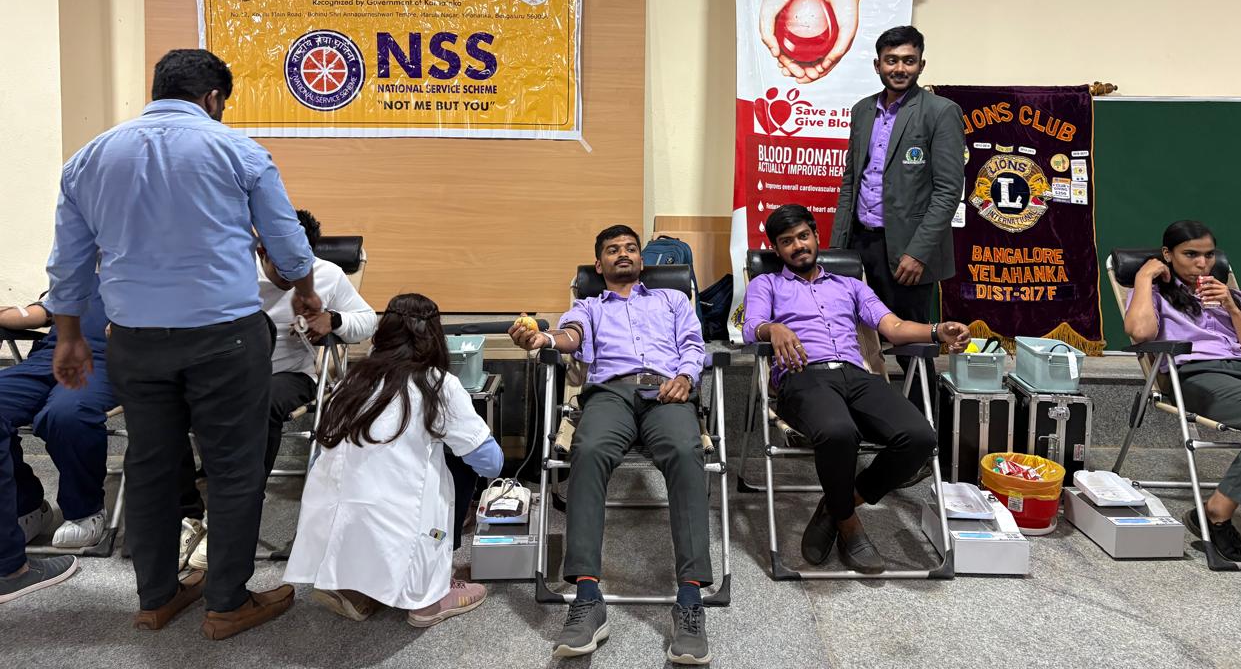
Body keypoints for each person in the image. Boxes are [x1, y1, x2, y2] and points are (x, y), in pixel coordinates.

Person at [44, 48, 321, 639]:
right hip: (225, 340)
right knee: (234, 467)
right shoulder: (239, 152)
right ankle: (227, 603)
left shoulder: (89, 158)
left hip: (134, 342)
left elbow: (68, 264)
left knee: (149, 465)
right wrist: (305, 292)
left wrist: (68, 337)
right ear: (213, 98)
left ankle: (157, 596)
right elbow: (288, 245)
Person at [509, 225, 711, 665]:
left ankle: (690, 599)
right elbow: (571, 336)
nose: (623, 253)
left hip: (666, 391)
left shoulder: (673, 300)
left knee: (685, 452)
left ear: (642, 259)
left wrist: (685, 376)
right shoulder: (588, 306)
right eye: (613, 250)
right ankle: (587, 597)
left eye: (631, 248)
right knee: (588, 451)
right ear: (598, 265)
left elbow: (694, 345)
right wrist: (544, 339)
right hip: (610, 395)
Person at [744, 205, 969, 573]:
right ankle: (849, 525)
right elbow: (750, 326)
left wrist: (936, 331)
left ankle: (836, 506)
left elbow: (893, 327)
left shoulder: (850, 285)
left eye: (803, 236)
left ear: (816, 236)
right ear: (777, 248)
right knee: (838, 432)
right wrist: (773, 328)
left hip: (856, 375)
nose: (798, 246)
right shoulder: (766, 284)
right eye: (787, 241)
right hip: (803, 377)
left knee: (919, 438)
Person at [175, 208, 378, 570]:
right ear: (262, 251)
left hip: (287, 375)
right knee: (165, 404)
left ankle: (231, 520)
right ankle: (188, 515)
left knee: (260, 401)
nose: (295, 274)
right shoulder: (229, 270)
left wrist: (333, 319)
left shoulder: (326, 274)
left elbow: (367, 321)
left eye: (301, 262)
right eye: (285, 265)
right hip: (223, 375)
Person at [284, 293, 502, 626]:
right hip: (398, 519)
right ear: (434, 337)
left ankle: (352, 584)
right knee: (460, 462)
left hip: (331, 512)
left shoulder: (352, 380)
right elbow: (490, 462)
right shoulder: (437, 384)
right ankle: (430, 597)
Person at [1124, 219, 1241, 563]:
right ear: (1168, 254)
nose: (1202, 263)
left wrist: (1232, 309)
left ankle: (1214, 509)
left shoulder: (1235, 298)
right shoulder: (1156, 294)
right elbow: (1140, 333)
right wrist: (1144, 277)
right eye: (1190, 254)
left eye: (1209, 255)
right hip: (1196, 375)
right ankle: (1215, 512)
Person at [830, 25, 965, 415]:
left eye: (908, 60)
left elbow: (948, 191)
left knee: (911, 349)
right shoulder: (862, 111)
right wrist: (838, 251)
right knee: (854, 340)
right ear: (878, 65)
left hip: (908, 252)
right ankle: (869, 420)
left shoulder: (940, 112)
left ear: (921, 64)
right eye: (892, 60)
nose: (900, 68)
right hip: (860, 244)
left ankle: (927, 432)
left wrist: (918, 252)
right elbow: (851, 181)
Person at [0, 278, 114, 604]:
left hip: (104, 361)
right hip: (49, 356)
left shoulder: (159, 274)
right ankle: (26, 506)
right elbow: (40, 312)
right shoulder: (82, 273)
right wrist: (8, 312)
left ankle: (84, 509)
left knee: (66, 414)